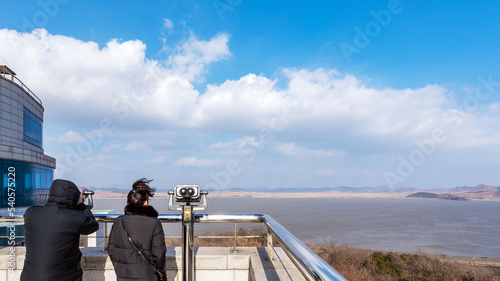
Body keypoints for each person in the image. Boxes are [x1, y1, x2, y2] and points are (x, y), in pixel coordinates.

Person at [21, 179, 99, 281]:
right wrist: (81, 205)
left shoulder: (31, 213)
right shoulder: (76, 218)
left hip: (29, 276)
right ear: (73, 197)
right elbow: (93, 225)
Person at [108, 178, 167, 281]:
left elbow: (111, 249)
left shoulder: (119, 221)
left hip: (122, 275)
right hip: (147, 275)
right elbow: (159, 254)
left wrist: (121, 268)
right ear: (145, 202)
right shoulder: (154, 223)